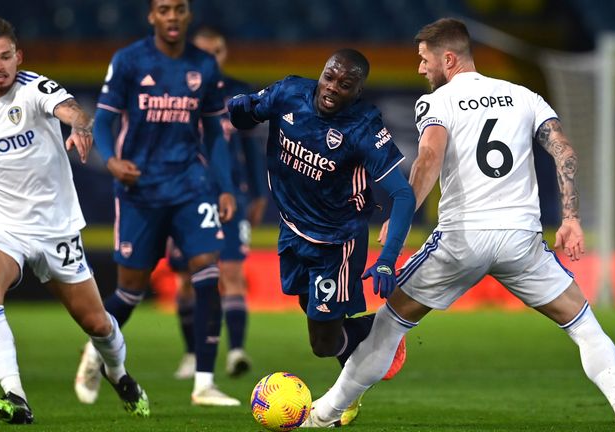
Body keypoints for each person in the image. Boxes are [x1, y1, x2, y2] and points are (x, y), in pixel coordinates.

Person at [301, 18, 615, 430]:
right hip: (521, 240)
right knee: (584, 324)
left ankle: (323, 415)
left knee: (387, 326)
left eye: (424, 59)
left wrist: (402, 213)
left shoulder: (438, 102)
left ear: (447, 58)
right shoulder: (524, 96)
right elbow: (564, 151)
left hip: (461, 238)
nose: (420, 69)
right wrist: (571, 218)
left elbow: (429, 156)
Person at [0, 16, 150, 424]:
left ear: (18, 57)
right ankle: (15, 396)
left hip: (55, 229)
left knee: (97, 324)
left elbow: (72, 110)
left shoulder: (36, 88)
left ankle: (118, 373)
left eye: (6, 56)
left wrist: (79, 127)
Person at [228, 48, 416, 424]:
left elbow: (403, 194)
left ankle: (378, 334)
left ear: (358, 90)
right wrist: (236, 108)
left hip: (336, 244)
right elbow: (244, 115)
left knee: (322, 344)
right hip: (291, 229)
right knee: (312, 312)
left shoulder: (363, 127)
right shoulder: (290, 93)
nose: (332, 88)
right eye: (330, 76)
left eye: (345, 84)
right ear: (322, 72)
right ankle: (361, 357)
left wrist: (385, 259)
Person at [73, 0, 241, 407]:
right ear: (152, 16)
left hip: (191, 185)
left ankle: (204, 382)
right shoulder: (129, 60)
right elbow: (107, 119)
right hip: (141, 190)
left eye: (179, 9)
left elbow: (216, 133)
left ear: (187, 15)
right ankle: (96, 350)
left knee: (207, 271)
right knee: (130, 291)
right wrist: (111, 160)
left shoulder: (204, 65)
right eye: (163, 9)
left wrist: (224, 187)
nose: (171, 16)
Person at [167, 25, 269, 380]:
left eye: (218, 52)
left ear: (225, 54)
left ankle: (237, 351)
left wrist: (258, 192)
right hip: (183, 197)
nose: (212, 59)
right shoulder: (173, 91)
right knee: (185, 280)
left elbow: (250, 147)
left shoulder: (239, 95)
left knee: (232, 273)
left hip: (230, 197)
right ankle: (192, 354)